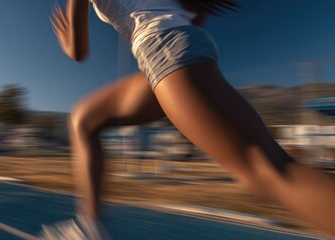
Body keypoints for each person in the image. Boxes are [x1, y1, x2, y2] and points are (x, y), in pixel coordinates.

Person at [40, 0, 335, 238]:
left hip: (164, 49)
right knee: (84, 118)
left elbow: (78, 51)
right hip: (179, 47)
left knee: (266, 170)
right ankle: (88, 227)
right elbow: (198, 15)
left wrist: (66, 36)